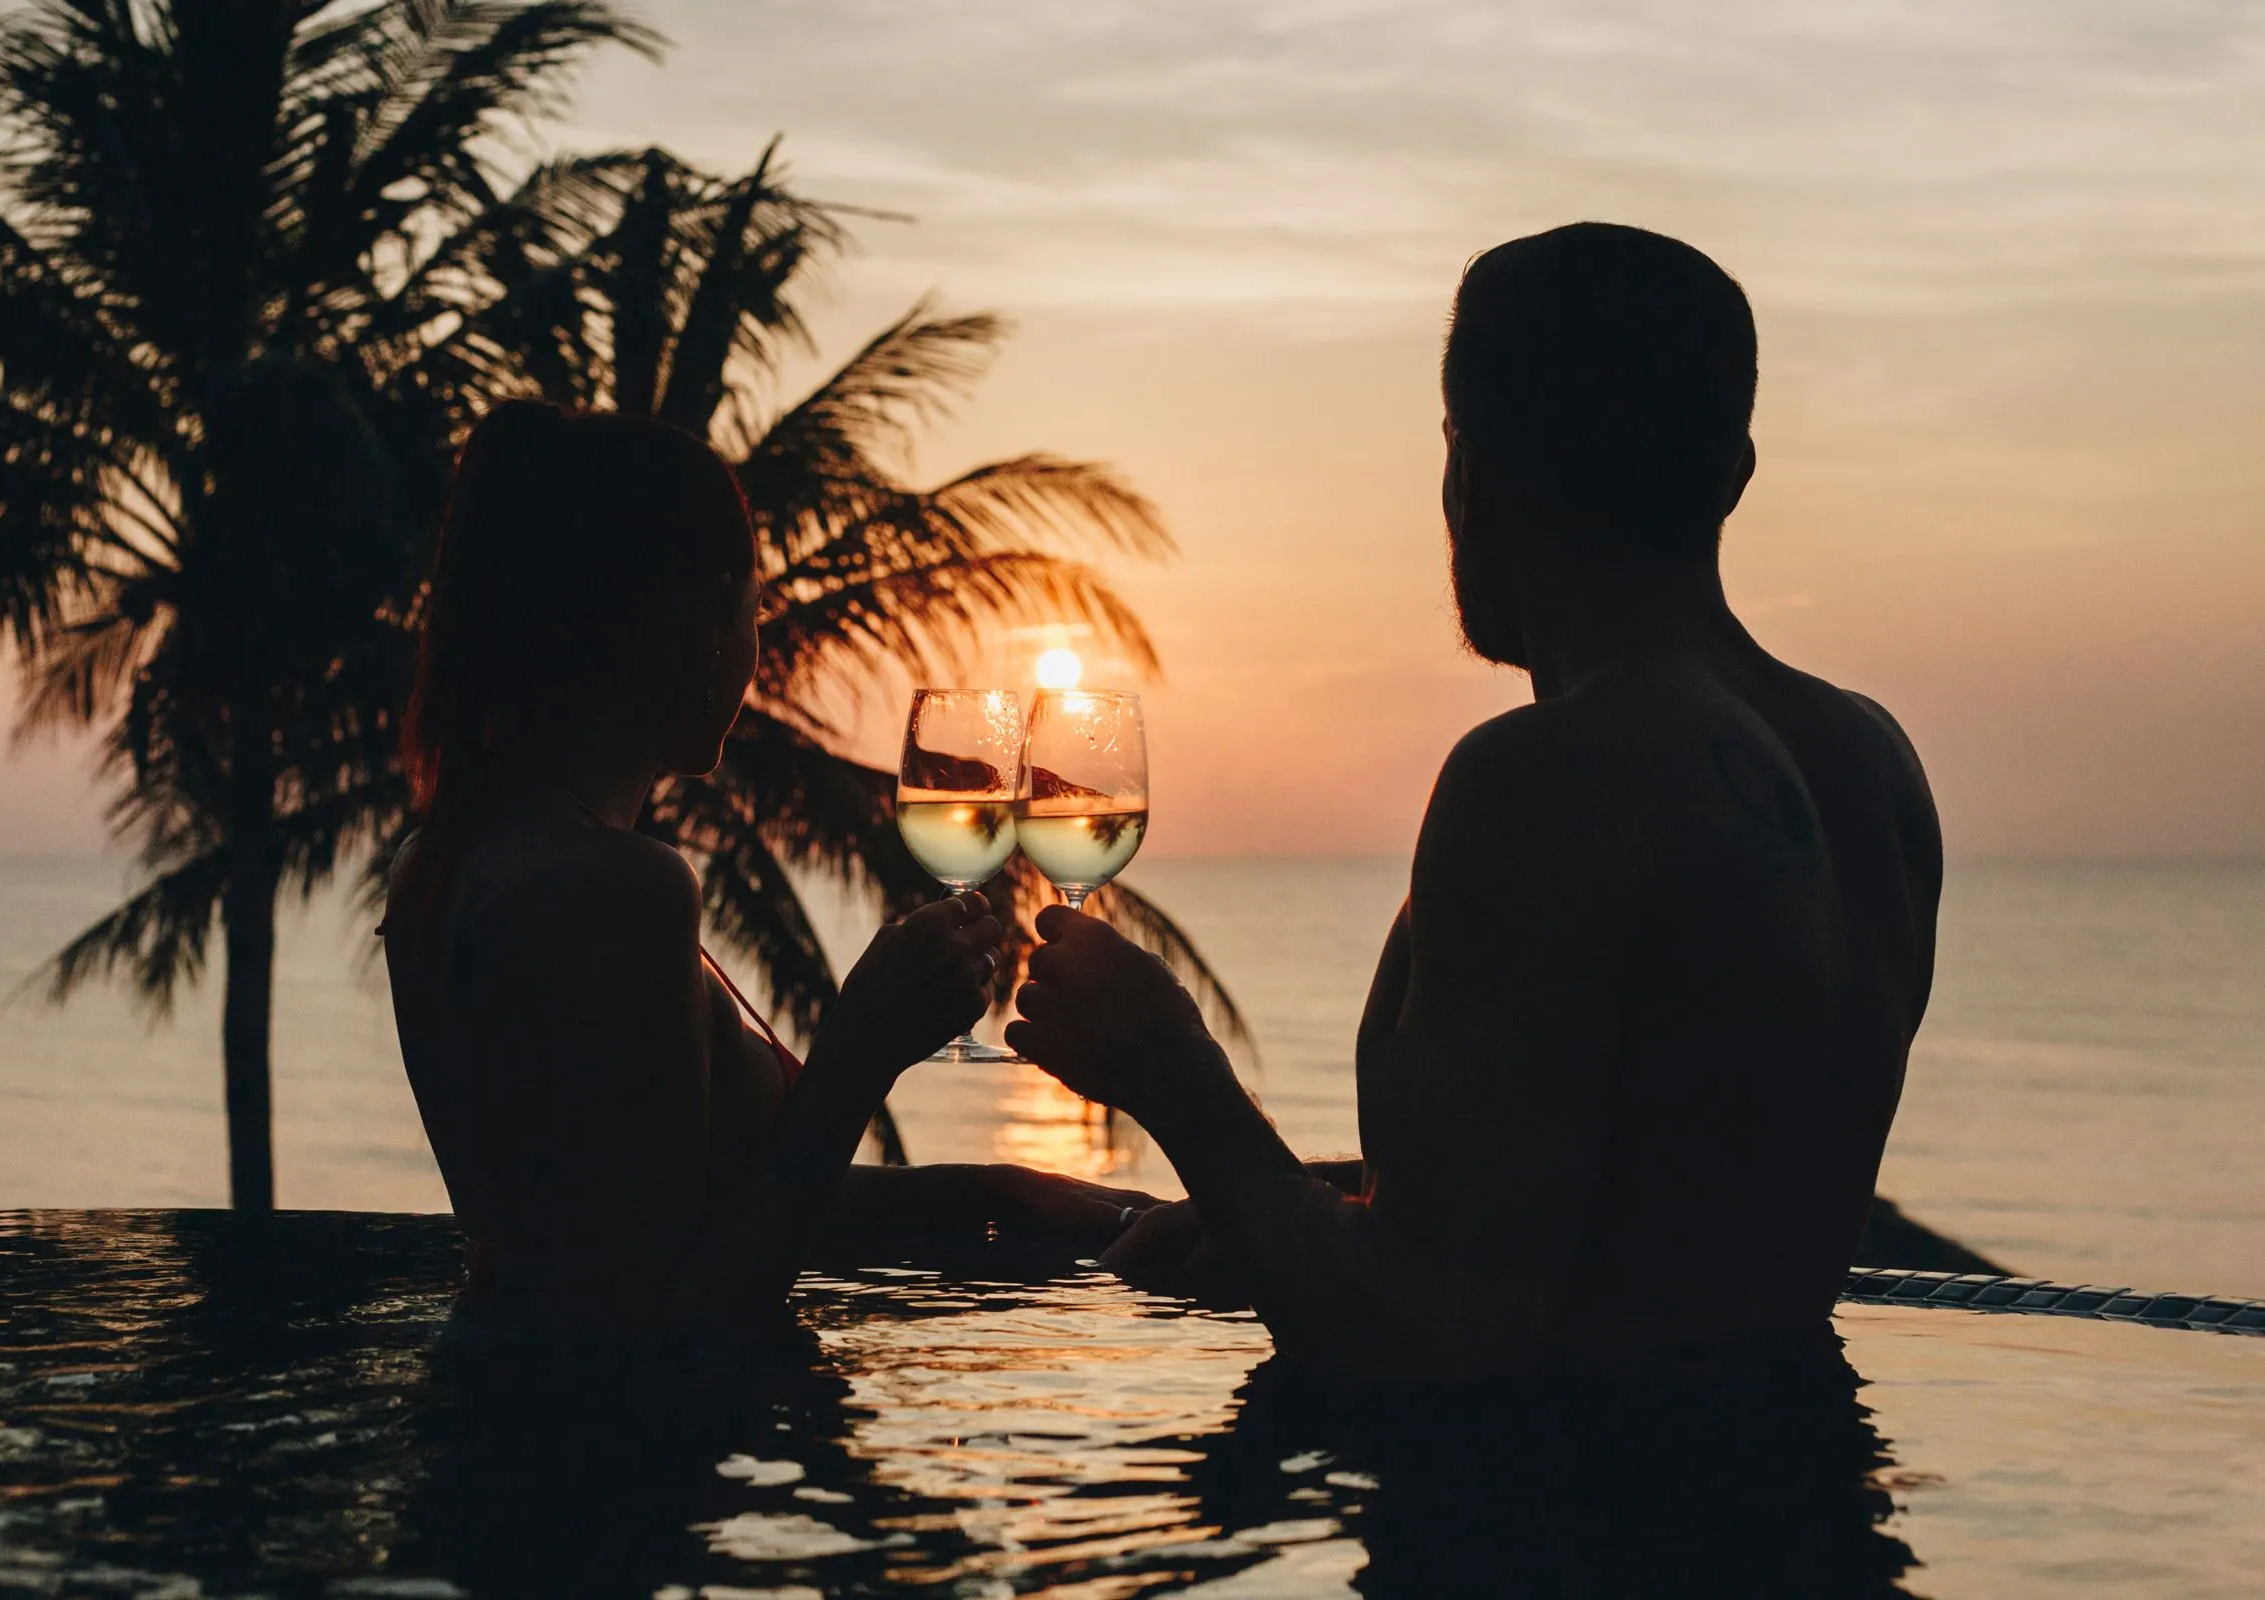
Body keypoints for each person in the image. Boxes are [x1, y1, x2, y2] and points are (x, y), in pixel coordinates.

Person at [1008, 223, 1942, 1379]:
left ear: (1472, 469)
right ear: (1735, 473)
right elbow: (1647, 1207)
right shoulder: (1876, 768)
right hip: (1807, 1510)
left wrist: (1170, 1071)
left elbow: (1427, 1344)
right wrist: (1298, 1200)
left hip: (1568, 1533)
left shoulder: (1545, 778)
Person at [383, 402, 1154, 1333]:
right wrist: (862, 1050)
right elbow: (680, 1316)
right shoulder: (611, 889)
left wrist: (1002, 1191)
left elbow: (673, 1211)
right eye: (754, 610)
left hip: (500, 1418)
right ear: (702, 622)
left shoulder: (448, 857)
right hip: (612, 1465)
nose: (755, 650)